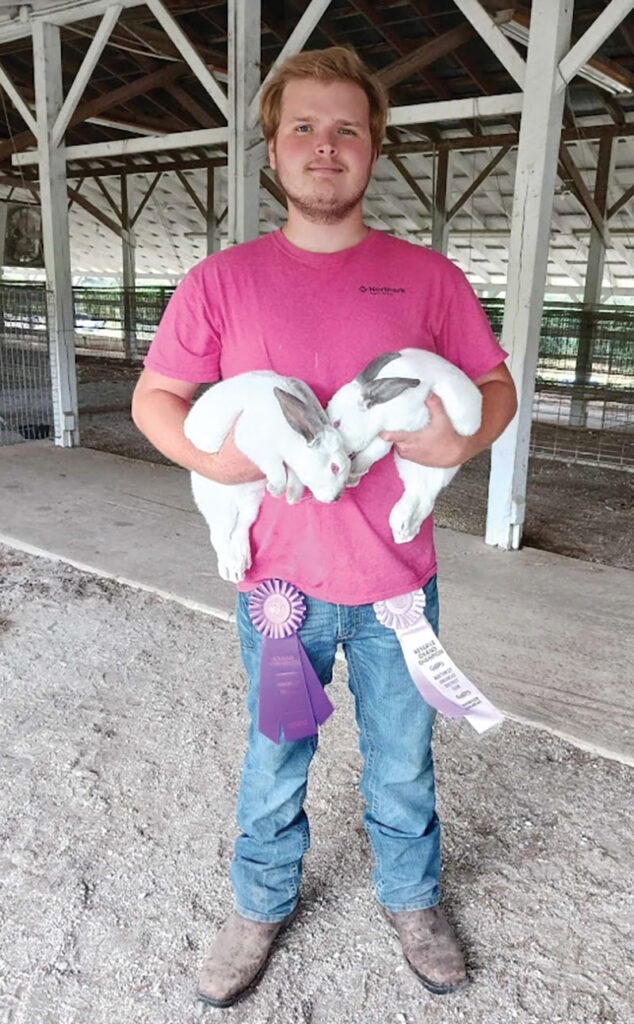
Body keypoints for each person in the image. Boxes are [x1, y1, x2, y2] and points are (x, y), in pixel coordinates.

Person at [132, 46, 517, 1008]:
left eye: (347, 127)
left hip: (395, 584)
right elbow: (156, 399)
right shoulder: (221, 279)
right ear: (273, 147)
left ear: (374, 149)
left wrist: (453, 437)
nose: (325, 146)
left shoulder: (426, 277)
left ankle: (412, 899)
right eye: (304, 126)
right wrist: (219, 461)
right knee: (276, 754)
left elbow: (497, 388)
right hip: (279, 589)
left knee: (403, 756)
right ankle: (260, 903)